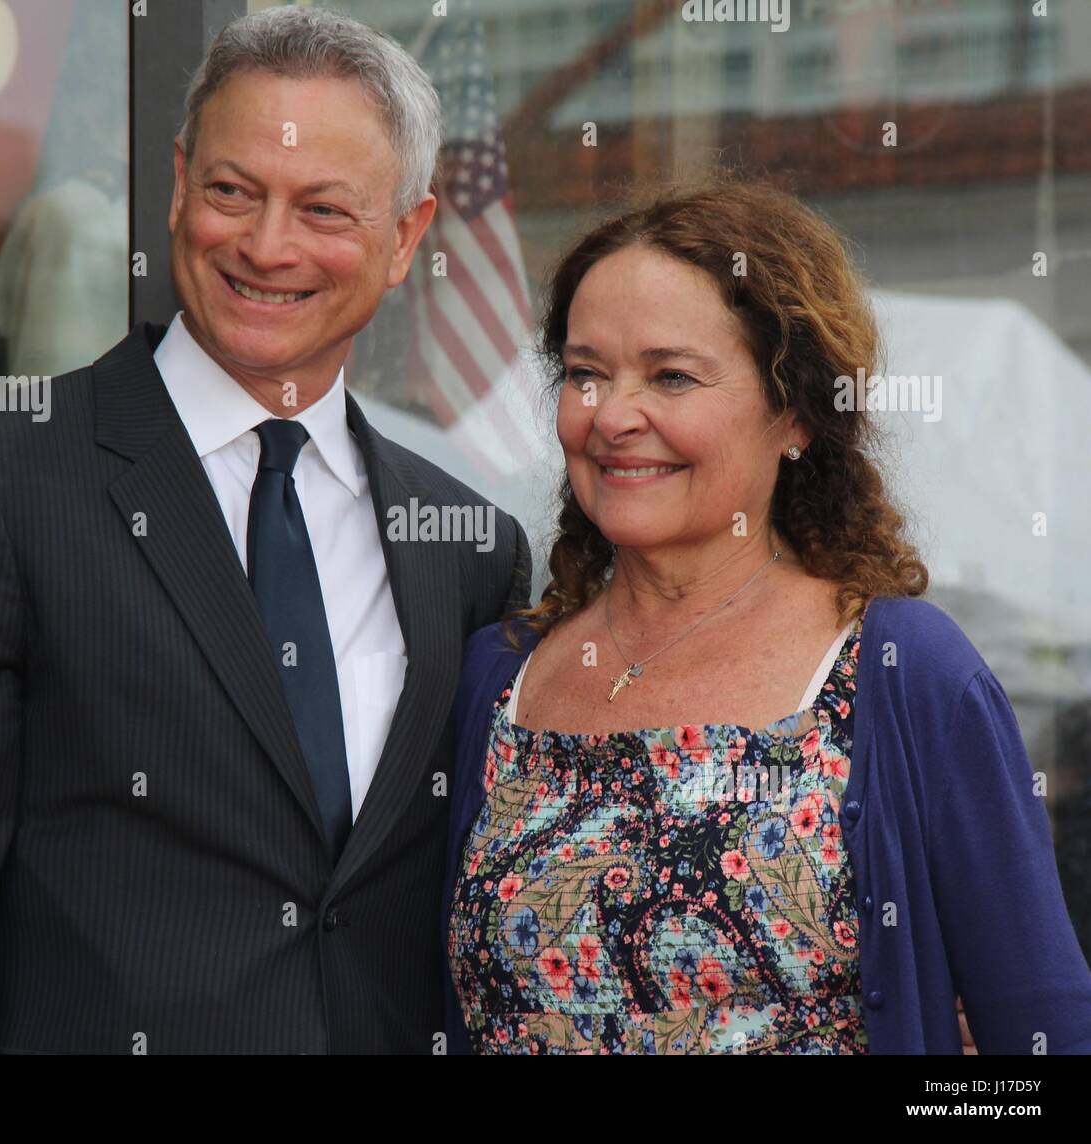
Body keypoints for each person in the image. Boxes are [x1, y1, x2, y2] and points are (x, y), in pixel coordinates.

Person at [0, 6, 528, 1054]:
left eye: (324, 209)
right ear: (180, 182)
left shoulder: (465, 545)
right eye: (234, 191)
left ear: (407, 238)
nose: (266, 245)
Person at [444, 179, 1091, 1054]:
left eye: (671, 376)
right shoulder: (500, 675)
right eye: (588, 374)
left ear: (793, 412)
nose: (615, 417)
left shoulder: (901, 672)